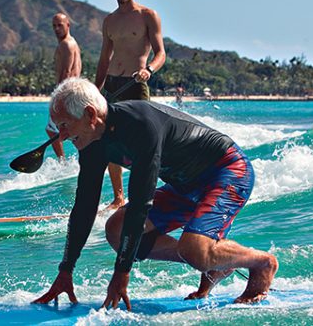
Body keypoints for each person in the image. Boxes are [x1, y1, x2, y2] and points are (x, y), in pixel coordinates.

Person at [32, 78, 278, 310]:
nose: (61, 136)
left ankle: (261, 263)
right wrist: (66, 270)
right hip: (184, 185)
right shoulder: (92, 143)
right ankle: (215, 262)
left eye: (64, 125)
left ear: (89, 114)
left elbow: (141, 203)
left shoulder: (140, 125)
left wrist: (121, 273)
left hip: (226, 170)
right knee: (116, 230)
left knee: (194, 248)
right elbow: (84, 206)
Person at [95, 0, 166, 210]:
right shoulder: (109, 22)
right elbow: (104, 59)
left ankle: (146, 196)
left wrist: (149, 70)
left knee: (142, 143)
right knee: (110, 142)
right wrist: (95, 91)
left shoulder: (148, 16)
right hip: (113, 86)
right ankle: (118, 197)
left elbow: (161, 54)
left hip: (136, 85)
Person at [45, 13, 83, 160]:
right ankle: (85, 156)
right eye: (54, 26)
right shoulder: (71, 43)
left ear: (68, 25)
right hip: (72, 91)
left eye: (60, 25)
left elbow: (67, 71)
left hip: (67, 92)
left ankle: (63, 162)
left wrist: (58, 97)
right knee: (70, 128)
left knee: (51, 129)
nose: (56, 29)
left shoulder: (66, 44)